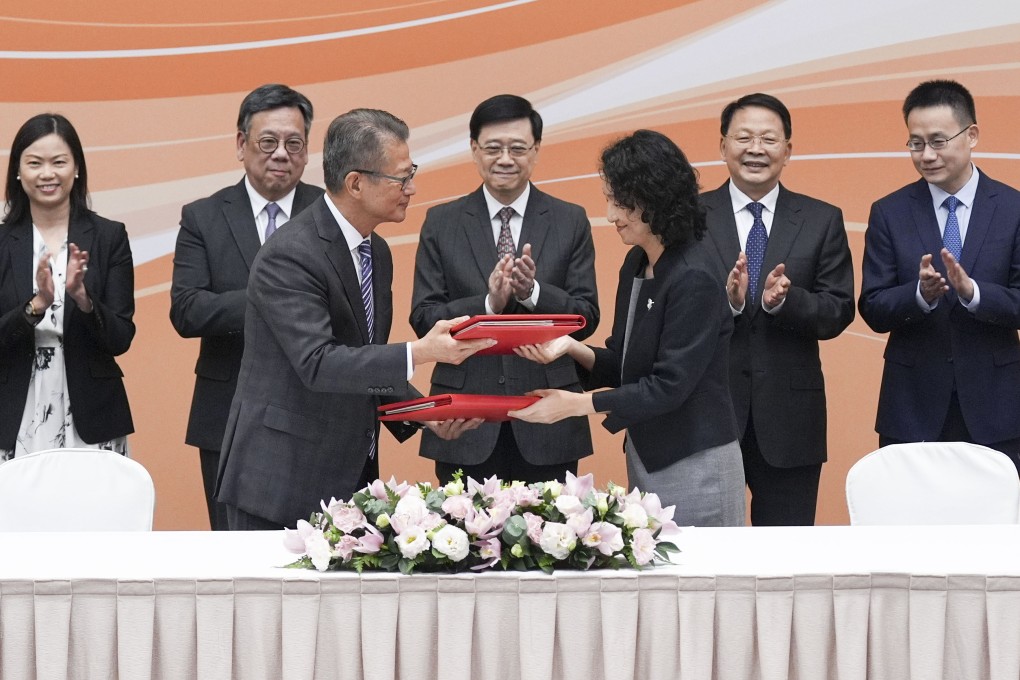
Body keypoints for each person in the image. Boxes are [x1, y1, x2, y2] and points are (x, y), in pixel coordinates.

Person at [216, 108, 494, 530]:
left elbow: (361, 359)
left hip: (346, 476)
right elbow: (319, 362)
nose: (412, 189)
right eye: (402, 178)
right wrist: (421, 351)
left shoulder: (375, 251)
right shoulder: (291, 254)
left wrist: (422, 411)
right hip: (279, 480)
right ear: (356, 183)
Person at [510, 130, 744, 527]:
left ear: (652, 198)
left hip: (695, 461)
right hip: (647, 452)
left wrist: (577, 405)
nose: (610, 215)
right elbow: (624, 363)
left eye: (619, 202)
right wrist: (570, 347)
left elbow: (669, 385)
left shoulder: (695, 276)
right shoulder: (637, 262)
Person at [410, 94, 599, 485]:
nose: (505, 159)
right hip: (466, 420)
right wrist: (487, 303)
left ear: (537, 151)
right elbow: (424, 316)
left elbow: (587, 316)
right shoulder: (441, 222)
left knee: (556, 542)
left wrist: (533, 293)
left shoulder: (570, 219)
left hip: (549, 417)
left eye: (517, 148)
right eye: (493, 148)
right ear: (474, 150)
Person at [170, 84, 323, 531]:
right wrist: (274, 301)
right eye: (267, 142)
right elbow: (188, 309)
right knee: (234, 563)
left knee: (318, 561)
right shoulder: (203, 216)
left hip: (315, 413)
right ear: (241, 145)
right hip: (227, 416)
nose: (281, 154)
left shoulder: (332, 214)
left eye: (294, 143)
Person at [699, 93, 855, 526]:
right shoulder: (690, 219)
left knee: (787, 560)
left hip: (790, 422)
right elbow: (674, 309)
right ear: (723, 146)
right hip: (708, 414)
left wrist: (785, 301)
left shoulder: (822, 219)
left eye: (769, 139)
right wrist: (729, 304)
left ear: (788, 149)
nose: (755, 149)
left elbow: (839, 309)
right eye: (743, 137)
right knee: (707, 558)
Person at [859, 79, 1020, 472]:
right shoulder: (889, 211)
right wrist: (920, 294)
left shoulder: (1013, 208)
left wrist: (973, 293)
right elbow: (873, 306)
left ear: (972, 135)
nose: (926, 155)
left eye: (938, 141)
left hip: (997, 408)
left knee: (997, 530)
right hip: (912, 407)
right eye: (915, 143)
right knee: (911, 528)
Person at [0, 114, 135, 461]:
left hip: (90, 411)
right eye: (34, 163)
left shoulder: (109, 237)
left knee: (89, 514)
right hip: (14, 408)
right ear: (18, 171)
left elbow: (121, 337)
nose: (47, 174)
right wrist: (37, 304)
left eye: (59, 162)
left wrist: (84, 300)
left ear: (76, 169)